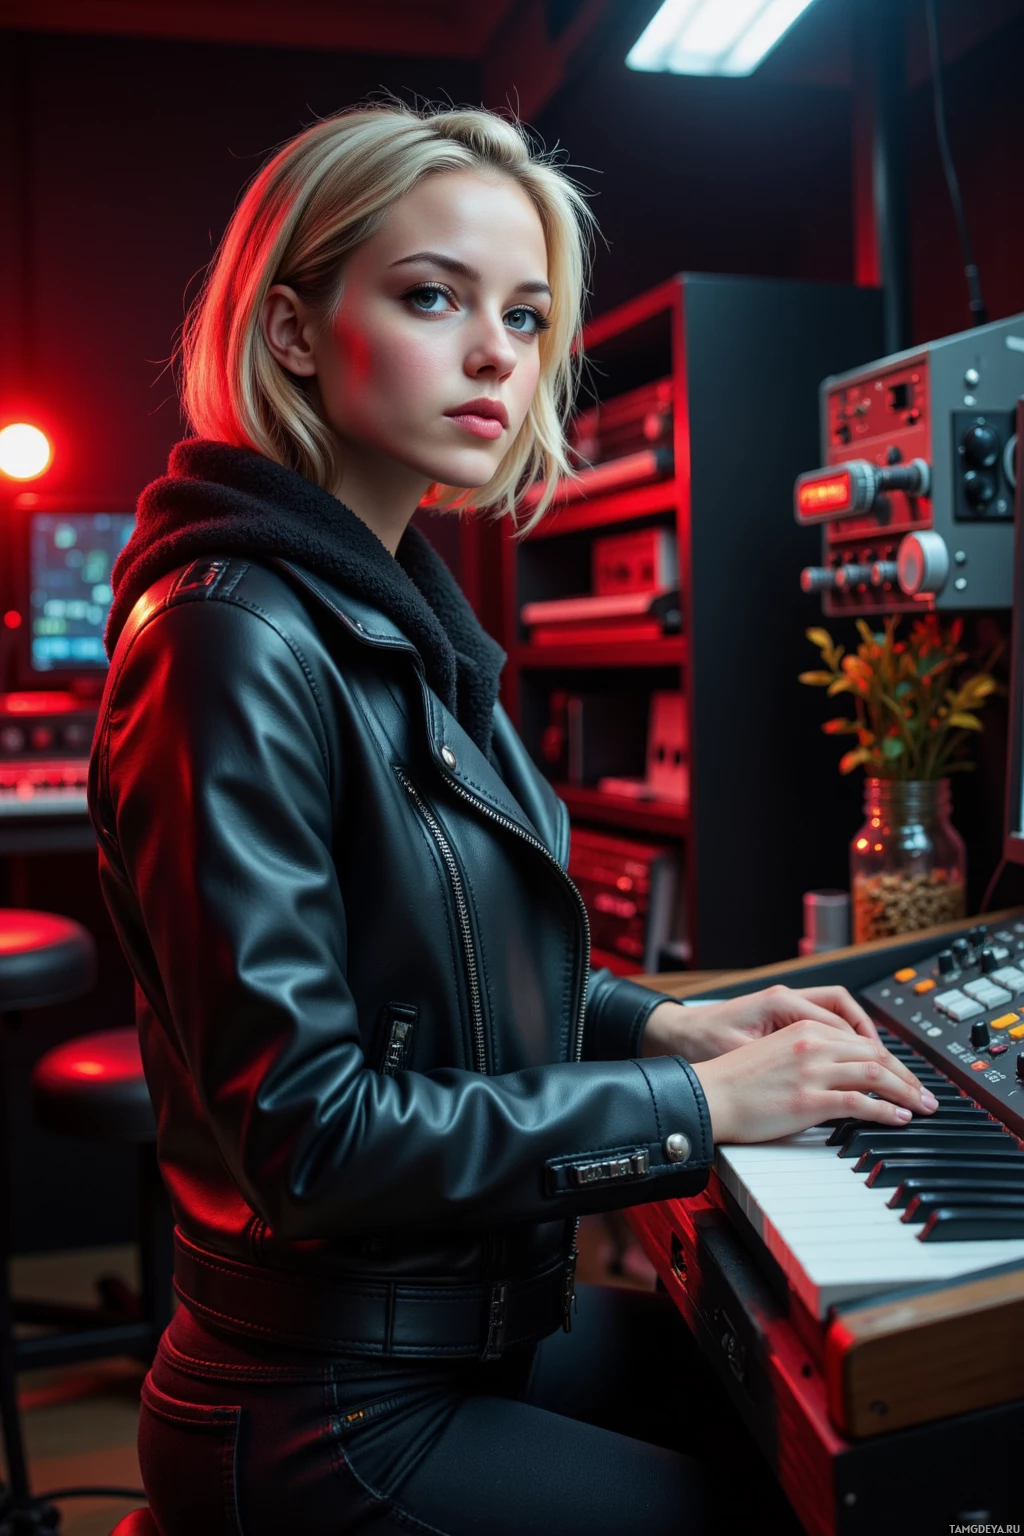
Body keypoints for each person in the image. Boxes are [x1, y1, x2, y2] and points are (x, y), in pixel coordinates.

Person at [88, 100, 936, 1535]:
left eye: (528, 315)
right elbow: (310, 1137)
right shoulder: (228, 640)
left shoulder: (393, 608)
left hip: (460, 1328)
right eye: (433, 297)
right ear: (293, 331)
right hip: (327, 1413)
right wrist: (696, 1110)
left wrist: (665, 1027)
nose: (497, 353)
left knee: (821, 1443)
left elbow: (445, 972)